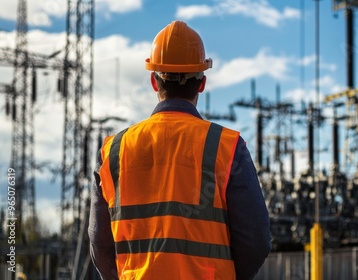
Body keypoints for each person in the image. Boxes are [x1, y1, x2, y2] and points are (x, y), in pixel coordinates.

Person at [89, 20, 272, 280]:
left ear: (154, 81)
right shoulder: (227, 147)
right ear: (201, 83)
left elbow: (100, 245)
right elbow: (256, 239)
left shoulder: (113, 151)